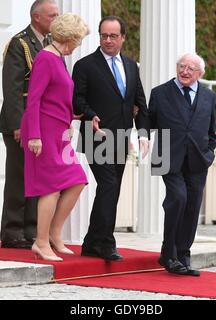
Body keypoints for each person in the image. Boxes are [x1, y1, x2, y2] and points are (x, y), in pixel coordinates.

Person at [72, 16, 150, 261]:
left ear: (123, 38)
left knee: (111, 191)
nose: (107, 40)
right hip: (97, 136)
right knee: (108, 186)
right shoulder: (85, 65)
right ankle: (106, 242)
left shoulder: (130, 66)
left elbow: (139, 101)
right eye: (104, 35)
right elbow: (77, 100)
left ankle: (91, 242)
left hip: (121, 138)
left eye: (113, 36)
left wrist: (144, 134)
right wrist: (92, 115)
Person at [20, 13, 90, 261]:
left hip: (58, 132)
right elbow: (34, 100)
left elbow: (58, 97)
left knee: (77, 179)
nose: (79, 44)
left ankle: (54, 234)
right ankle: (41, 242)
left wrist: (71, 119)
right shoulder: (45, 58)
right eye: (79, 40)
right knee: (50, 187)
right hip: (43, 132)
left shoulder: (59, 59)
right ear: (70, 38)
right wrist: (35, 136)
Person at [0, 0, 59, 249]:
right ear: (36, 17)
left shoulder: (48, 44)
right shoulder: (20, 43)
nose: (56, 19)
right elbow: (12, 90)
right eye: (52, 15)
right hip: (21, 121)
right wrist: (18, 126)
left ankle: (31, 229)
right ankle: (13, 231)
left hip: (40, 123)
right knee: (18, 177)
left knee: (35, 177)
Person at [148, 53, 216, 276]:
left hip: (198, 160)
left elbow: (211, 132)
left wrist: (209, 154)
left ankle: (183, 257)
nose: (185, 71)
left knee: (192, 205)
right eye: (181, 66)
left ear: (200, 73)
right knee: (178, 198)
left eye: (191, 68)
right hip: (167, 156)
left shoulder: (209, 97)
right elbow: (148, 125)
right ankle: (169, 253)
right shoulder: (159, 93)